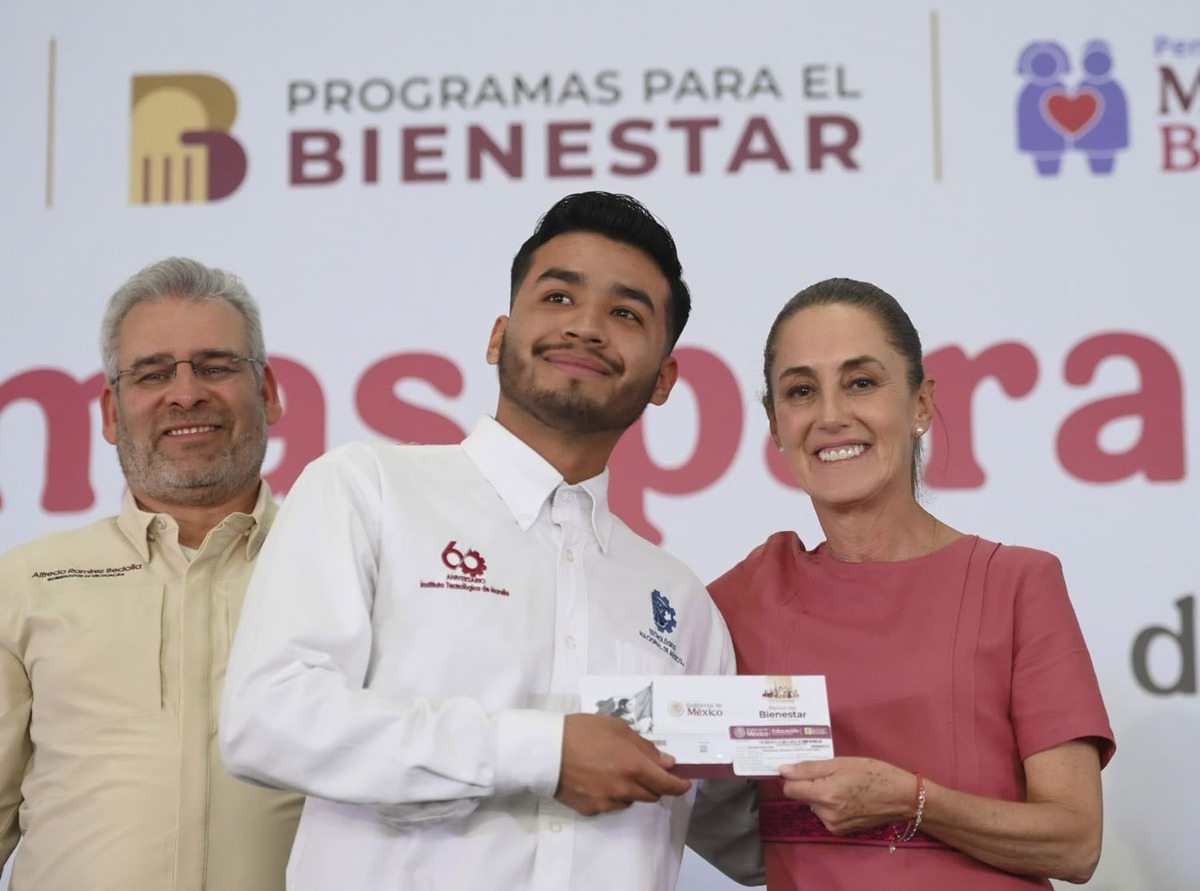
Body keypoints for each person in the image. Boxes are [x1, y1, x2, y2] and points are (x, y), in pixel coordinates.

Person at [219, 192, 733, 891]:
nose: (585, 327)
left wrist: (850, 786)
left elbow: (735, 831)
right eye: (558, 296)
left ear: (664, 379)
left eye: (625, 314)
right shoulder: (370, 489)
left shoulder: (678, 597)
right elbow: (267, 720)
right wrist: (542, 753)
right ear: (498, 338)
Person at [694, 278, 1114, 889]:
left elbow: (1075, 843)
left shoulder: (1018, 585)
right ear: (775, 425)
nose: (831, 416)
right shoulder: (738, 602)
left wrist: (913, 801)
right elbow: (660, 767)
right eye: (802, 391)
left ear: (920, 404)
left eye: (861, 382)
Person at [0, 257, 303, 891]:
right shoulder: (25, 583)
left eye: (215, 367)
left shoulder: (342, 568)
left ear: (269, 392)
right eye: (153, 373)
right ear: (111, 412)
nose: (186, 393)